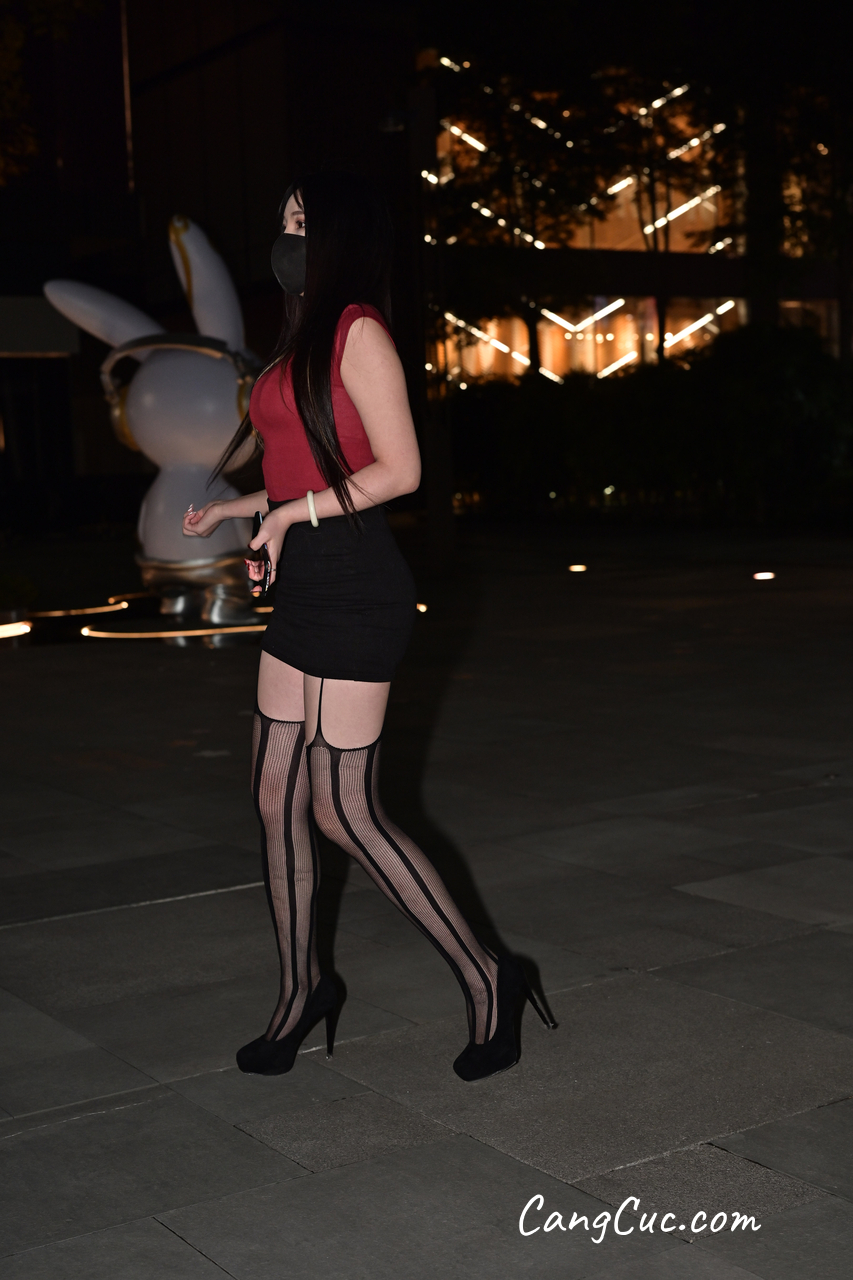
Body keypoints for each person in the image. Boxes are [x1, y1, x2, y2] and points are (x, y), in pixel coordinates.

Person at [182, 171, 552, 1081]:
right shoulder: (295, 342)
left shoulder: (359, 332)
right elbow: (303, 467)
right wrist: (243, 512)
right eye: (283, 220)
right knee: (274, 795)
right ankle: (301, 990)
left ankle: (490, 975)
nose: (288, 235)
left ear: (342, 234)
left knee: (342, 809)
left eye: (303, 220)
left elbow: (400, 471)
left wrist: (286, 517)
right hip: (304, 584)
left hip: (357, 589)